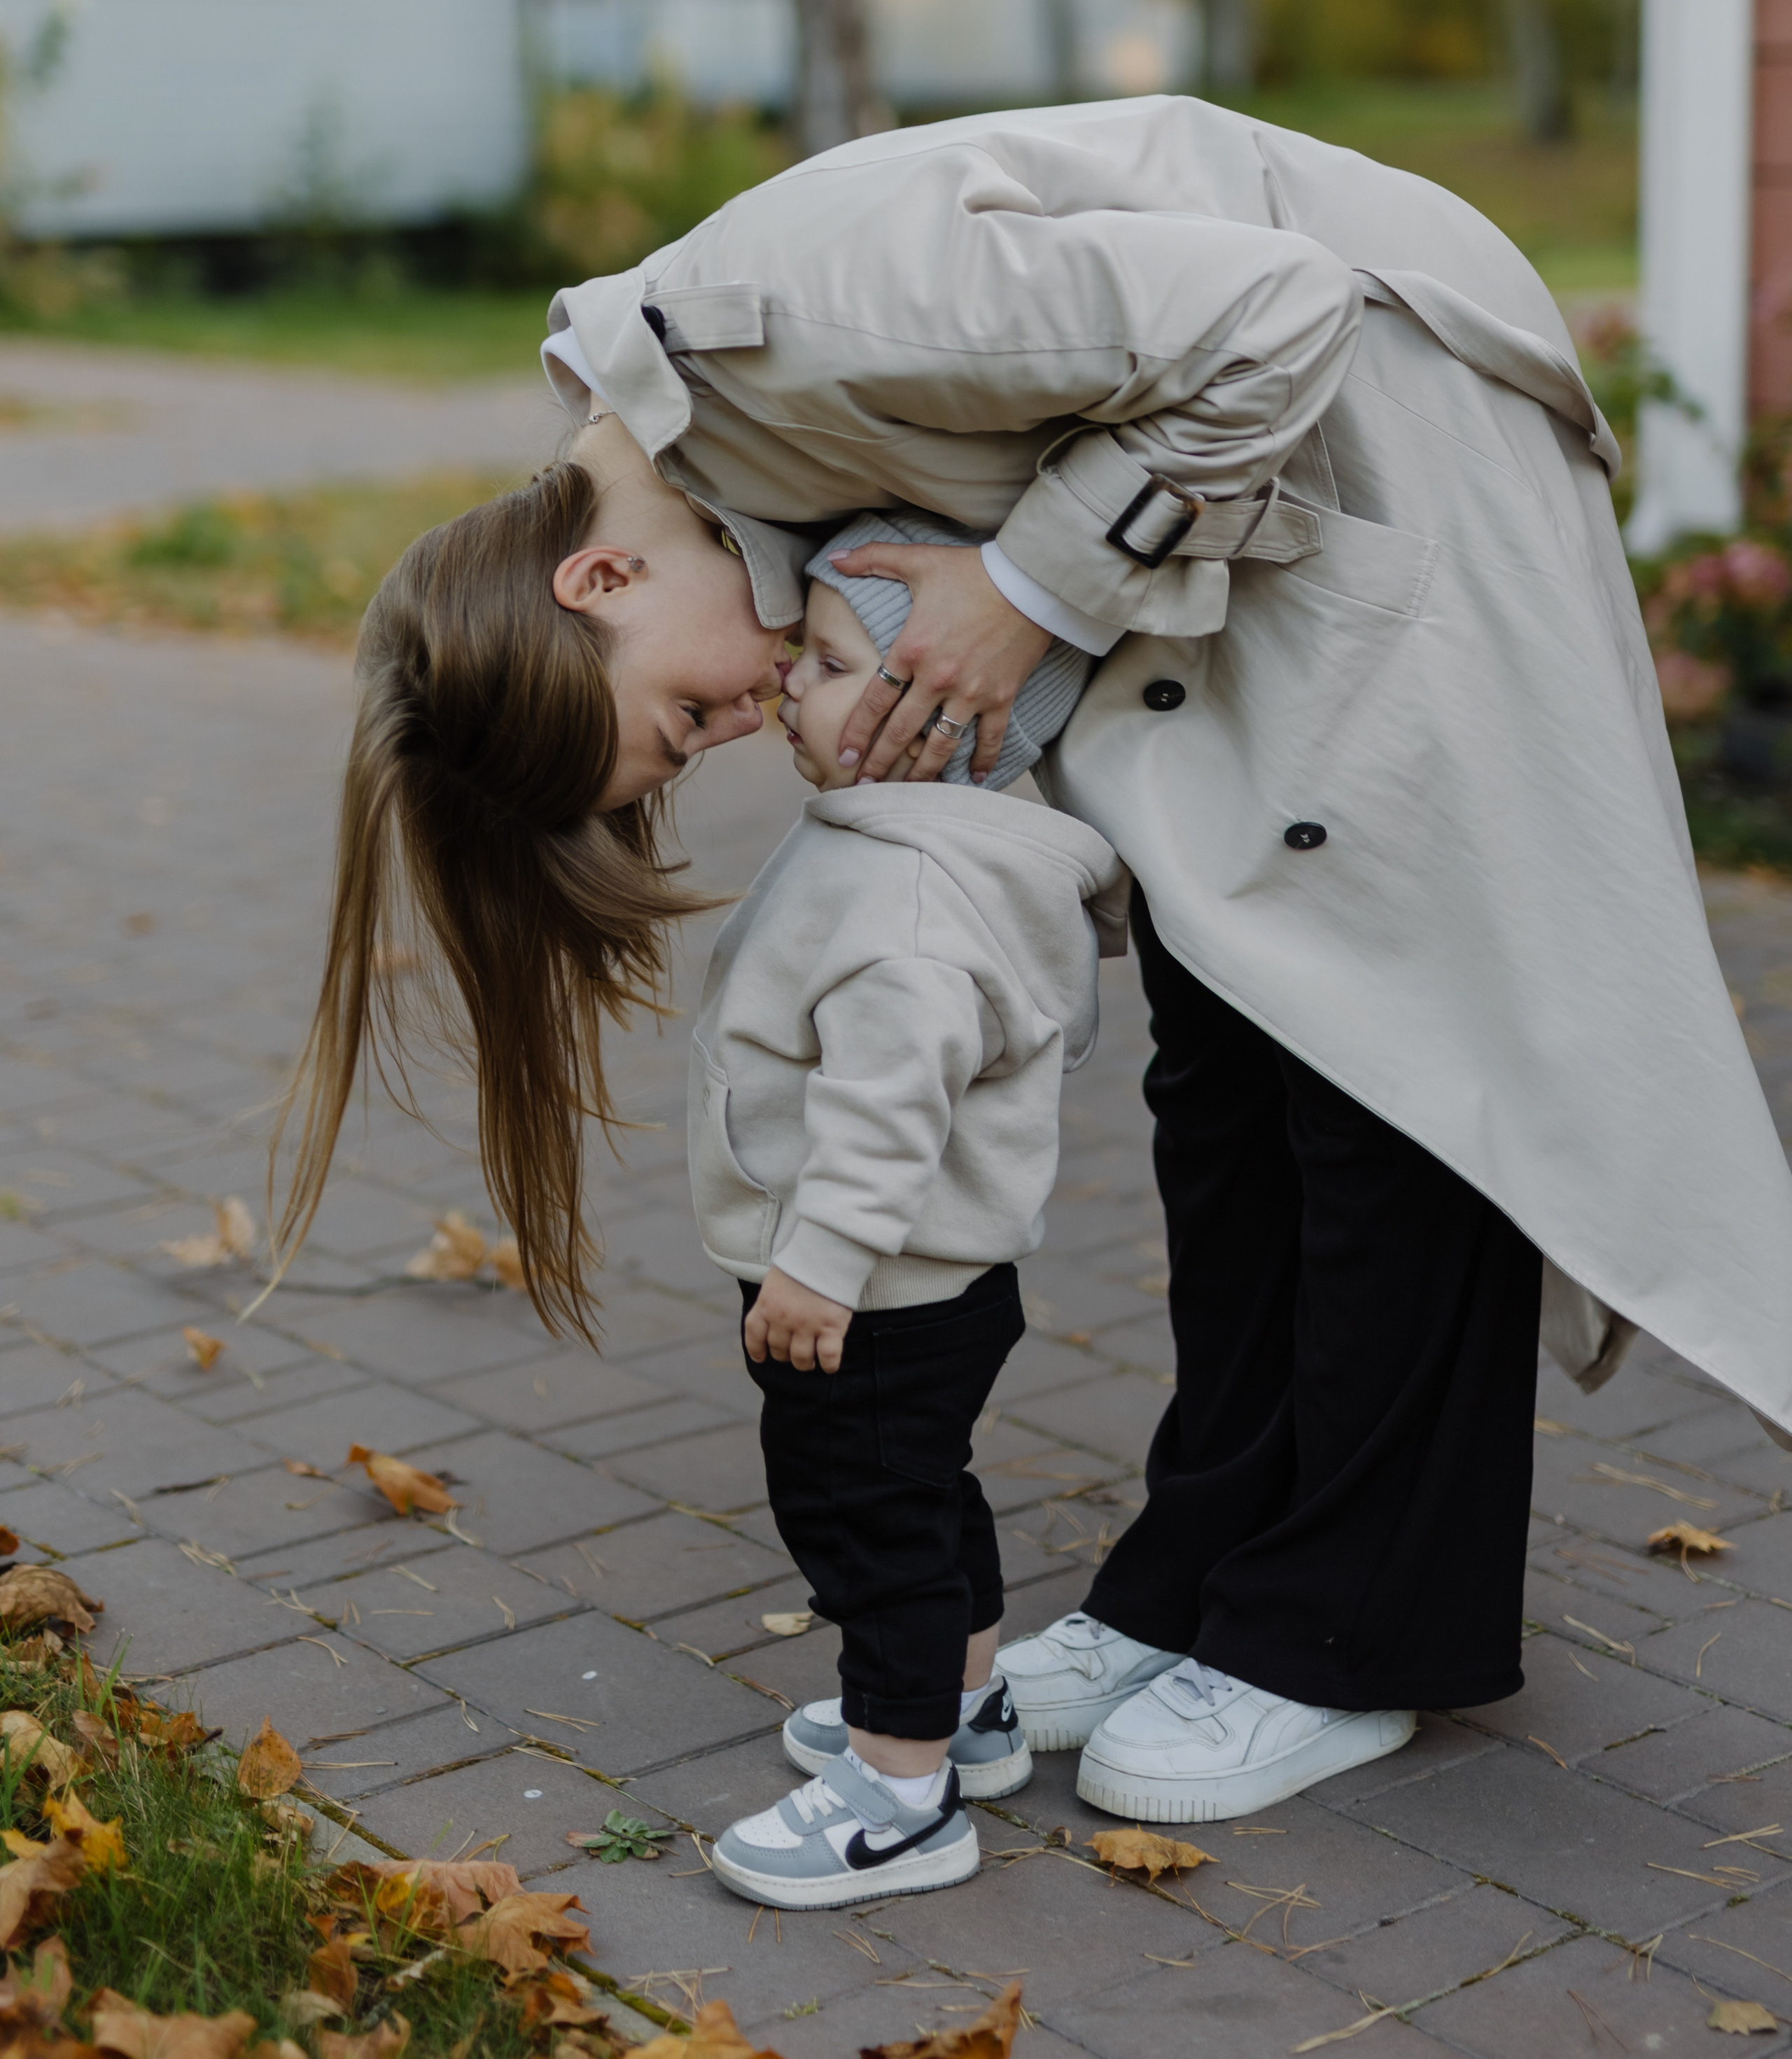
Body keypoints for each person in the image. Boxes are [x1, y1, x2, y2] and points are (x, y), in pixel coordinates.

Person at [279, 95, 1792, 1833]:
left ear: (601, 568)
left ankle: (1347, 1631)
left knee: (1384, 1044)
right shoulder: (713, 454)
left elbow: (1272, 313)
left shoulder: (777, 321)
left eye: (681, 717)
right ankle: (1201, 1571)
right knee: (1224, 1045)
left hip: (1388, 436)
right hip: (1239, 516)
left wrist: (1027, 585)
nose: (736, 728)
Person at [689, 512, 1121, 1909]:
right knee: (925, 1496)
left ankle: (896, 1794)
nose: (781, 686)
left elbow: (885, 1113)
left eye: (817, 664)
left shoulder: (909, 903)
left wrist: (812, 1269)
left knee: (861, 1522)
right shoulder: (903, 843)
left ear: (930, 722)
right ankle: (969, 1711)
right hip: (928, 1282)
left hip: (866, 1291)